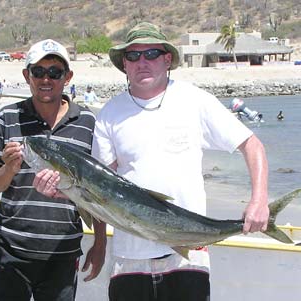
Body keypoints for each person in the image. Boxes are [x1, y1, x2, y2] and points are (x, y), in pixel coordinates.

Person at [91, 22, 269, 300]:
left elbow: (252, 145)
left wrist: (258, 201)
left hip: (188, 257)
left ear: (167, 59)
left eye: (151, 54)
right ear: (124, 64)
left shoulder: (194, 100)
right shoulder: (109, 113)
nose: (142, 62)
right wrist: (99, 242)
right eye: (133, 56)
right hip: (129, 258)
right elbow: (99, 188)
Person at [0, 39, 106, 301]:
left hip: (63, 253)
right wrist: (9, 169)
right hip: (11, 250)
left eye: (54, 72)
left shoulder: (88, 122)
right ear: (27, 75)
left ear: (68, 76)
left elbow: (97, 190)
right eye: (38, 72)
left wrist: (100, 243)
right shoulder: (7, 117)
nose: (45, 79)